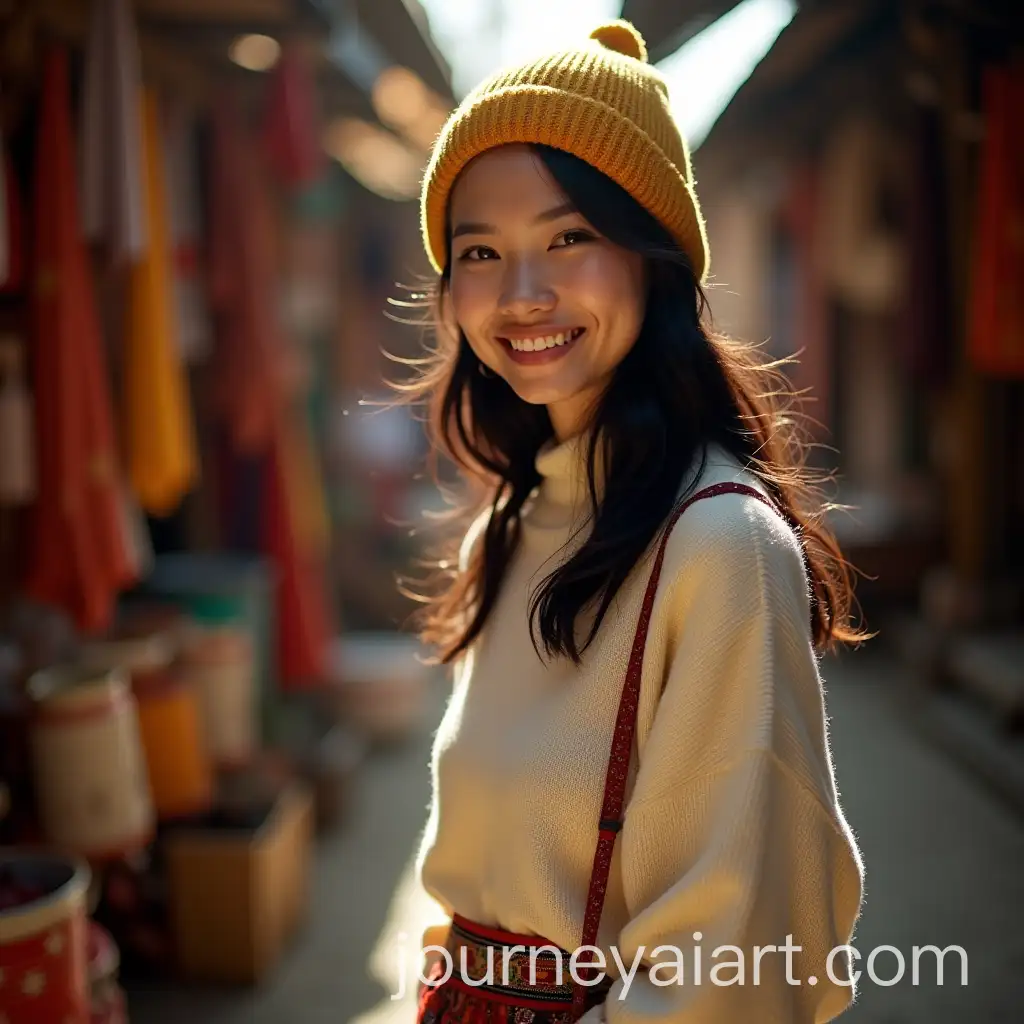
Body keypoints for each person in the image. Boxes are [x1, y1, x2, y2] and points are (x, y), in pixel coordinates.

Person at [400, 19, 866, 1024]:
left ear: (653, 259)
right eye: (480, 250)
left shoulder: (718, 547)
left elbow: (737, 962)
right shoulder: (514, 523)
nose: (521, 295)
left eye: (569, 237)